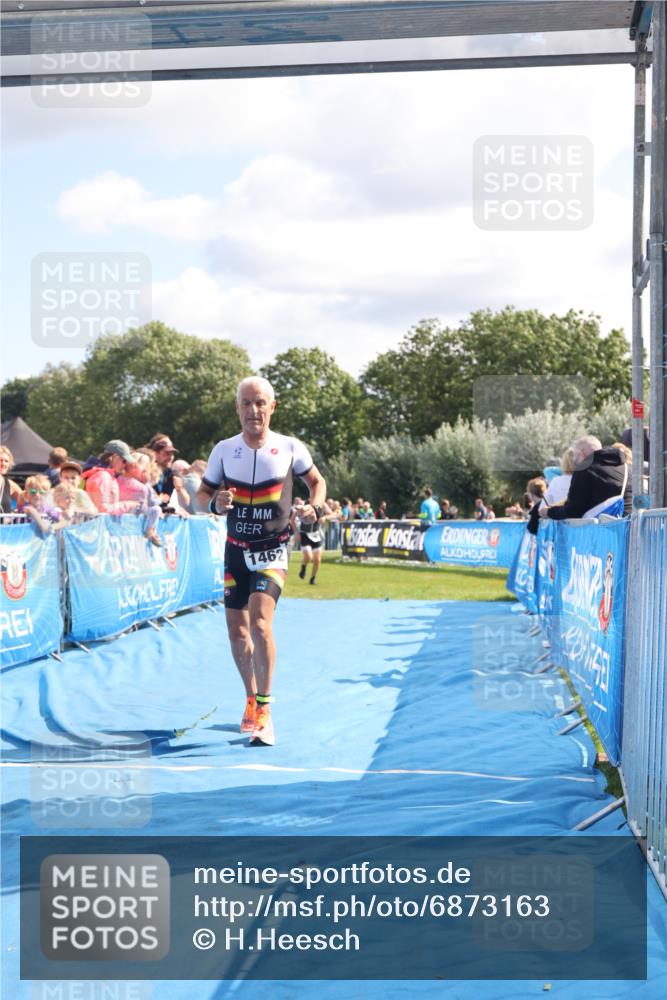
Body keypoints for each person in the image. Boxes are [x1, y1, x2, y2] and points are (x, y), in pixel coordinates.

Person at [195, 376, 326, 747]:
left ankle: (266, 711)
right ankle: (251, 700)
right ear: (237, 408)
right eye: (247, 404)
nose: (254, 411)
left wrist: (314, 508)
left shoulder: (289, 447)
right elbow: (201, 495)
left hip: (272, 550)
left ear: (273, 406)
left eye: (261, 403)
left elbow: (317, 482)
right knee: (237, 634)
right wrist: (214, 503)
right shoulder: (223, 450)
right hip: (235, 551)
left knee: (261, 625)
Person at [540, 436, 631, 521]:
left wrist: (549, 512)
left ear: (581, 453)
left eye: (575, 456)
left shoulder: (586, 469)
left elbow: (573, 511)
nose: (575, 461)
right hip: (628, 528)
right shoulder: (627, 468)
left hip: (601, 532)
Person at [0, 446, 22, 513]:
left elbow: (24, 500)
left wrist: (14, 515)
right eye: (0, 460)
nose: (3, 463)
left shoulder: (10, 484)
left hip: (3, 523)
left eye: (6, 461)